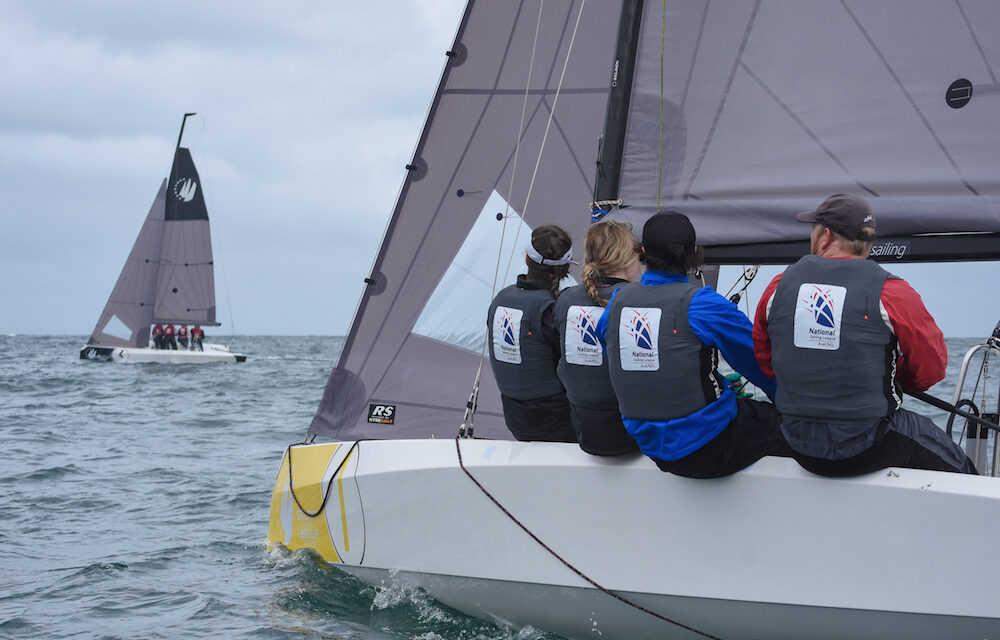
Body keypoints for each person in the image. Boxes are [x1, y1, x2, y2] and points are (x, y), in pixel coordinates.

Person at [752, 193, 976, 476]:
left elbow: (766, 363)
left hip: (795, 439)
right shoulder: (893, 292)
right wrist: (896, 377)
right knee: (960, 465)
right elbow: (930, 371)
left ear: (825, 235)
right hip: (867, 444)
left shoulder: (777, 287)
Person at [596, 211, 789, 478]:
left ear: (642, 252)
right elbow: (761, 362)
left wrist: (710, 380)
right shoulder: (703, 304)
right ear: (694, 252)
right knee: (787, 425)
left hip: (648, 444)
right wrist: (794, 404)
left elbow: (627, 362)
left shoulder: (616, 304)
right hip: (707, 447)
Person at [553, 220, 642, 456]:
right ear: (628, 259)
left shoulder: (565, 300)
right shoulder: (643, 304)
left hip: (584, 429)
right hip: (630, 435)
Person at [487, 224, 575, 442]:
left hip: (515, 419)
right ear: (566, 268)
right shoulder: (552, 310)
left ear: (527, 259)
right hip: (556, 420)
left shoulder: (500, 299)